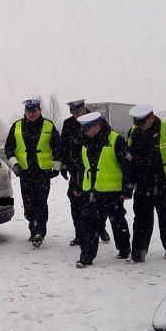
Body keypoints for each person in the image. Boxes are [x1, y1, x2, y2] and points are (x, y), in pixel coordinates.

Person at [125, 104, 166, 263]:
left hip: (163, 183)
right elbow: (129, 160)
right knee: (141, 219)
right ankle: (138, 253)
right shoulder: (134, 132)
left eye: (142, 122)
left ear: (151, 117)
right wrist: (129, 183)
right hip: (142, 183)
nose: (140, 126)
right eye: (137, 122)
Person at [74, 111, 132, 267]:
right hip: (91, 190)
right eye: (83, 129)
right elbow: (81, 167)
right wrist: (77, 185)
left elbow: (127, 166)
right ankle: (86, 257)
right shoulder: (85, 142)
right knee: (89, 224)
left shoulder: (115, 140)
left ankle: (124, 249)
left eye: (87, 128)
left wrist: (127, 188)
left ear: (97, 126)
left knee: (117, 221)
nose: (85, 132)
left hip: (112, 191)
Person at [4, 98, 62, 247]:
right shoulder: (17, 126)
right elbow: (9, 148)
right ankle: (33, 227)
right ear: (25, 112)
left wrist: (56, 168)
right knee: (28, 205)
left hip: (43, 173)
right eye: (28, 111)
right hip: (25, 173)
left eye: (34, 111)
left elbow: (58, 147)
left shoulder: (48, 125)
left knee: (41, 203)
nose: (31, 114)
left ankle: (39, 232)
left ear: (40, 111)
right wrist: (15, 166)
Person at [60, 99, 110, 246]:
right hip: (76, 168)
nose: (75, 115)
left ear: (84, 108)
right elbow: (64, 146)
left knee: (98, 202)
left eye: (77, 111)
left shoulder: (97, 120)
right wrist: (63, 165)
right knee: (76, 202)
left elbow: (107, 139)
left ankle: (100, 227)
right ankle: (79, 234)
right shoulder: (68, 124)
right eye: (72, 112)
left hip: (95, 168)